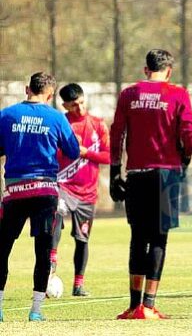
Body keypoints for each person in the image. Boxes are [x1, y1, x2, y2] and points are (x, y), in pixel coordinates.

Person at [110, 49, 192, 319]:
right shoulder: (178, 94)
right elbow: (191, 135)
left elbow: (117, 132)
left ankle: (133, 305)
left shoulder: (129, 94)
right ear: (169, 71)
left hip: (136, 173)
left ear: (145, 69)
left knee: (138, 238)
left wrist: (115, 171)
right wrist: (184, 158)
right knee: (159, 238)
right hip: (166, 174)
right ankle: (148, 305)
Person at [0, 72, 80, 321]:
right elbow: (73, 151)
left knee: (3, 249)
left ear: (27, 89)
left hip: (14, 191)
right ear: (50, 93)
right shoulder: (56, 117)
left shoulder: (6, 115)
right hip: (45, 191)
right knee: (43, 251)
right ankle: (35, 311)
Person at [50, 83, 110, 297]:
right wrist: (68, 149)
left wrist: (84, 152)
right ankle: (51, 262)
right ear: (65, 105)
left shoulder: (98, 125)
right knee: (55, 213)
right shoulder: (61, 123)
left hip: (87, 192)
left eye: (82, 103)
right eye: (74, 105)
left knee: (82, 239)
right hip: (62, 185)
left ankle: (78, 284)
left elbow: (108, 156)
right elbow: (52, 155)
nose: (80, 108)